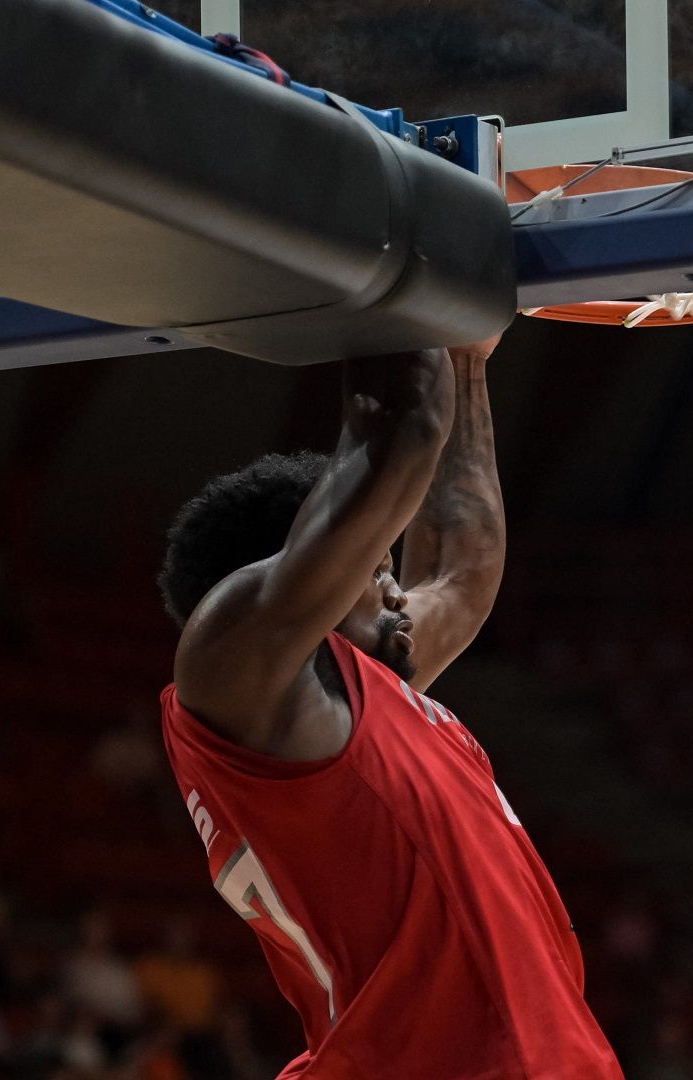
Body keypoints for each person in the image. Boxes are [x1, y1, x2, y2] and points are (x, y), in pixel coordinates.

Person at [156, 336, 621, 1078]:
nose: (399, 589)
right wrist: (404, 287)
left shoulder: (357, 689)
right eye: (378, 568)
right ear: (321, 570)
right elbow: (405, 432)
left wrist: (467, 355)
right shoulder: (231, 671)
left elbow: (463, 574)